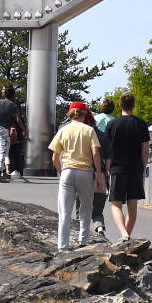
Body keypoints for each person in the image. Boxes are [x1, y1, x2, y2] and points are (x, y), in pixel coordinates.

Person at [48, 102, 104, 253]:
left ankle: (62, 246)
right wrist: (98, 174)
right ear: (84, 114)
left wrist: (61, 172)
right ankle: (82, 240)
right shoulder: (89, 130)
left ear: (70, 113)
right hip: (85, 171)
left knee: (65, 211)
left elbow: (54, 157)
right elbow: (95, 153)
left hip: (67, 171)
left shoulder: (63, 130)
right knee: (86, 207)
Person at [105, 92, 151, 242]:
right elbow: (145, 149)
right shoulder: (141, 124)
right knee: (133, 206)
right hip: (136, 169)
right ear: (134, 105)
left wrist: (106, 168)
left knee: (116, 204)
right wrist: (142, 167)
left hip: (117, 169)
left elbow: (108, 149)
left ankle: (124, 234)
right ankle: (126, 236)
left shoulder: (112, 124)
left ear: (119, 105)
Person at [74, 106, 112, 240]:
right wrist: (106, 173)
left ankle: (79, 234)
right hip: (99, 175)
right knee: (97, 211)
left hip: (83, 174)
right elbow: (108, 158)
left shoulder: (81, 135)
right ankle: (100, 229)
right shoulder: (103, 136)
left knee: (81, 209)